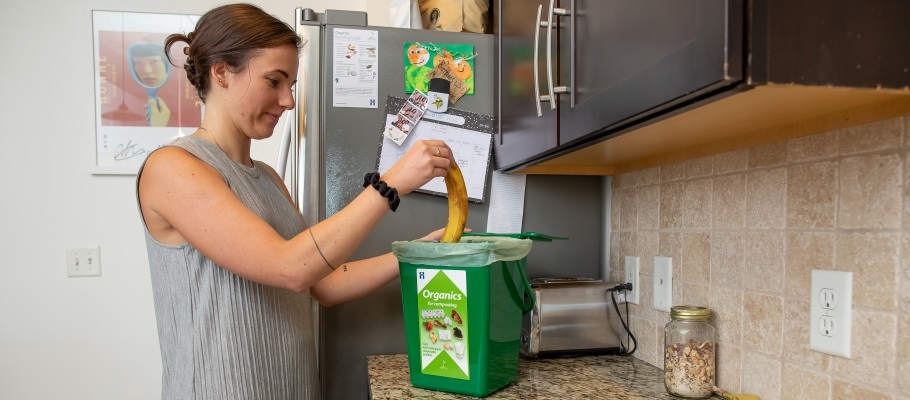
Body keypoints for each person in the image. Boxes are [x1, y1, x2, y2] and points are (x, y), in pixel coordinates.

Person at [135, 4, 456, 399]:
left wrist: (416, 254)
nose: (288, 101)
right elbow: (290, 268)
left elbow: (323, 284)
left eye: (291, 85)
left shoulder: (268, 178)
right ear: (221, 72)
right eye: (274, 81)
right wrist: (388, 184)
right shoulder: (172, 167)